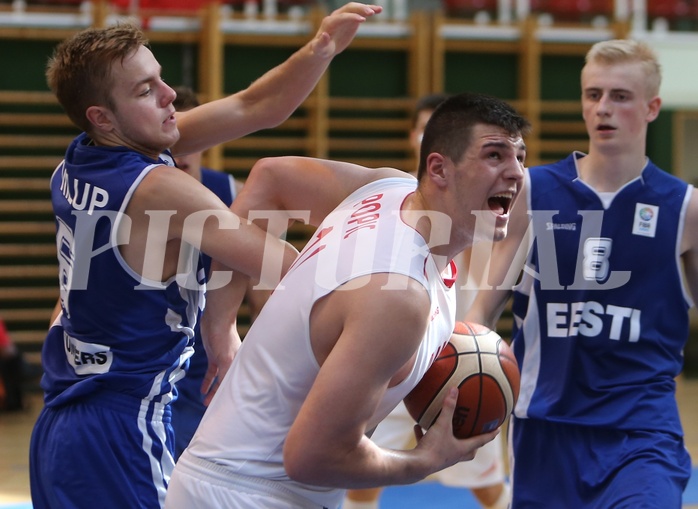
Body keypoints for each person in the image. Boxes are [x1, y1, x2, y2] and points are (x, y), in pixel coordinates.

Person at [28, 5, 382, 509]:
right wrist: (403, 278)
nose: (170, 96)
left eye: (161, 78)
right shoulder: (160, 189)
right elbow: (285, 263)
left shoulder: (79, 158)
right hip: (122, 426)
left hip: (63, 421)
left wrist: (321, 45)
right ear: (103, 117)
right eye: (146, 90)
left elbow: (255, 106)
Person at [165, 91, 530, 509]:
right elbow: (312, 457)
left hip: (224, 479)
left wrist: (221, 323)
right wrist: (426, 459)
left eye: (520, 157)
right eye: (495, 156)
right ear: (439, 168)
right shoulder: (398, 297)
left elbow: (269, 178)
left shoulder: (387, 190)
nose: (515, 172)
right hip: (253, 496)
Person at [465, 39, 698, 508]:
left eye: (619, 96)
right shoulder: (534, 190)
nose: (603, 108)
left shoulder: (684, 208)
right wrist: (463, 361)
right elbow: (487, 300)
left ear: (652, 107)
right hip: (546, 430)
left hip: (642, 430)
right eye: (593, 95)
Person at [342, 92, 510, 509]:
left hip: (458, 366)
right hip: (392, 365)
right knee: (360, 479)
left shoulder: (482, 204)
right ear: (416, 135)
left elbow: (492, 280)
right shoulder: (391, 197)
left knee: (488, 486)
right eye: (423, 125)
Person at [168, 85, 270, 460]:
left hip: (207, 365)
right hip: (147, 362)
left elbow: (266, 298)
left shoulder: (233, 193)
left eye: (191, 134)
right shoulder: (132, 192)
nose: (181, 146)